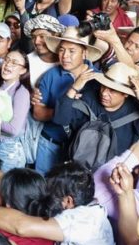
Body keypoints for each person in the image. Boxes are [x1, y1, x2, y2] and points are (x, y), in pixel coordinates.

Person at [54, 61, 139, 161]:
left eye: (112, 90)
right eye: (103, 86)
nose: (104, 93)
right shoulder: (88, 98)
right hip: (78, 166)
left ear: (125, 94)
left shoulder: (134, 111)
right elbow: (60, 119)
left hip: (112, 172)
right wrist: (73, 89)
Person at [30, 28, 100, 173]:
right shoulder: (50, 75)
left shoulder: (98, 79)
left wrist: (66, 111)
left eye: (72, 51)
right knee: (42, 188)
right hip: (50, 143)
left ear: (84, 52)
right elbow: (37, 113)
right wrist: (67, 112)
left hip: (82, 149)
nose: (65, 56)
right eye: (61, 50)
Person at [0, 50, 31, 171]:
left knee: (4, 189)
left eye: (14, 63)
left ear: (23, 70)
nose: (8, 64)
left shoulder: (21, 92)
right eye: (7, 60)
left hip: (10, 150)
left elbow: (14, 129)